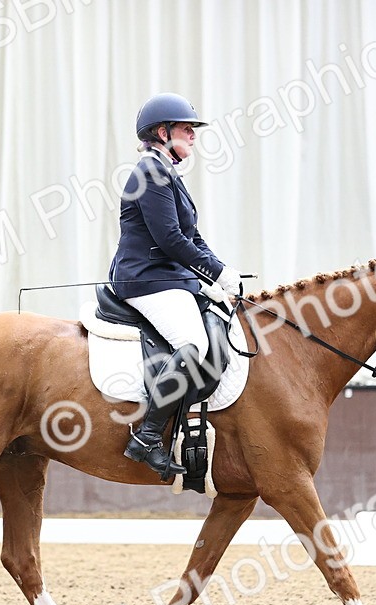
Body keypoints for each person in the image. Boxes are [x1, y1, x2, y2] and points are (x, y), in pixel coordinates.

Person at [108, 92, 242, 478]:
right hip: (146, 279)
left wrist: (221, 270)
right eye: (187, 129)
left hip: (169, 277)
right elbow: (169, 238)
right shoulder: (150, 173)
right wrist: (213, 274)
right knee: (195, 345)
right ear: (162, 132)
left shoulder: (168, 173)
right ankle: (148, 437)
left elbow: (192, 236)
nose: (194, 135)